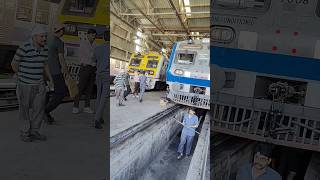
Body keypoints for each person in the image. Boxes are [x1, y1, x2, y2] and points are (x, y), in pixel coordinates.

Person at [11, 25, 52, 142]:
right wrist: (20, 75)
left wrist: (50, 79)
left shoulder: (45, 48)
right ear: (34, 37)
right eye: (42, 36)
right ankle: (25, 132)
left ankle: (34, 131)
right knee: (24, 110)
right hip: (25, 84)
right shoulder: (24, 47)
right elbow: (14, 64)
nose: (44, 39)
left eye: (45, 36)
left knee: (39, 109)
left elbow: (44, 64)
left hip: (39, 84)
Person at [45, 22, 70, 124]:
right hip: (55, 71)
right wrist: (65, 70)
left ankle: (46, 115)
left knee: (46, 93)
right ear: (61, 31)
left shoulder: (47, 39)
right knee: (61, 93)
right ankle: (45, 111)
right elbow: (61, 58)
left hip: (44, 71)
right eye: (63, 30)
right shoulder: (59, 42)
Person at [73, 29, 97, 114]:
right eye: (92, 35)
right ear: (88, 35)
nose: (93, 37)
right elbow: (88, 55)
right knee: (80, 88)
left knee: (90, 88)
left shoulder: (95, 44)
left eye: (94, 36)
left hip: (93, 68)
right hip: (85, 67)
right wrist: (92, 58)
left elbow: (95, 56)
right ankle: (75, 106)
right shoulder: (83, 43)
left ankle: (87, 106)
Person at [92, 30, 109, 129]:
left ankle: (100, 116)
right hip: (106, 74)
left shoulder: (98, 48)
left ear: (103, 38)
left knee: (99, 95)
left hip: (98, 74)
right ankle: (97, 119)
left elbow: (93, 59)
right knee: (104, 97)